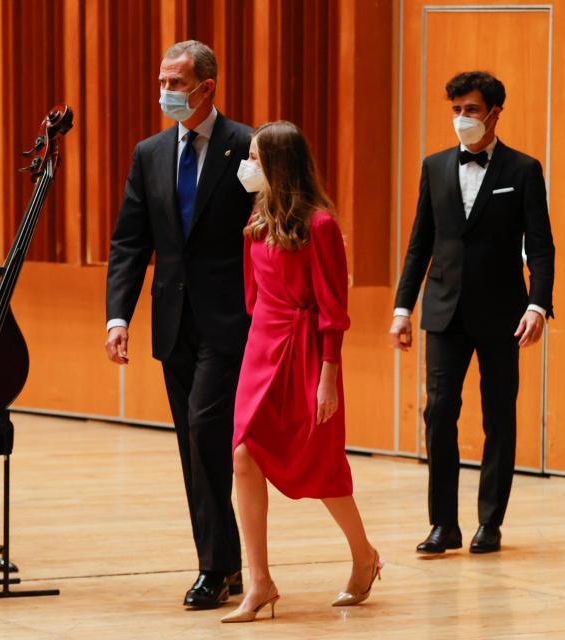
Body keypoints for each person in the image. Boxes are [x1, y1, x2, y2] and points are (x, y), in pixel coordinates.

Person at [105, 40, 253, 609]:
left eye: (176, 81)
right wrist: (120, 314)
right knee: (194, 446)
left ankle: (215, 568)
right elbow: (130, 241)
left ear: (206, 87)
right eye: (162, 79)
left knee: (204, 429)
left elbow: (268, 226)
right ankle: (225, 560)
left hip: (231, 319)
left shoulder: (245, 146)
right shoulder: (150, 152)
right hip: (173, 321)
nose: (166, 91)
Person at [222, 121, 381, 623]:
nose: (246, 166)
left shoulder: (321, 226)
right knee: (244, 455)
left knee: (321, 464)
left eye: (254, 156)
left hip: (309, 352)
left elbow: (335, 308)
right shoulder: (254, 224)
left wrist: (327, 375)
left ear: (278, 165)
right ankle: (260, 581)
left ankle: (363, 555)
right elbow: (253, 299)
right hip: (261, 349)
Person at [390, 71, 555, 555]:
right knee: (439, 412)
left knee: (498, 416)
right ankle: (444, 524)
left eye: (471, 110)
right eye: (456, 109)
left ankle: (490, 523)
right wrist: (403, 307)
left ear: (495, 113)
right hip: (442, 312)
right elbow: (420, 244)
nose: (462, 118)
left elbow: (541, 247)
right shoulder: (434, 165)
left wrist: (538, 304)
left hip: (503, 313)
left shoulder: (523, 170)